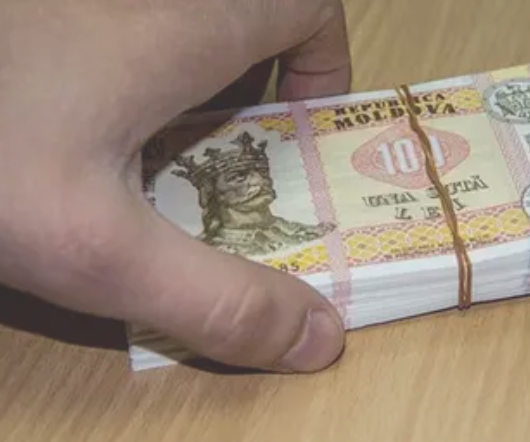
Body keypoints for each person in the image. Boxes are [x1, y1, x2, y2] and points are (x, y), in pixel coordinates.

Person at [0, 0, 351, 373]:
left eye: (255, 174)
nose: (255, 180)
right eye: (237, 177)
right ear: (211, 194)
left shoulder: (300, 231)